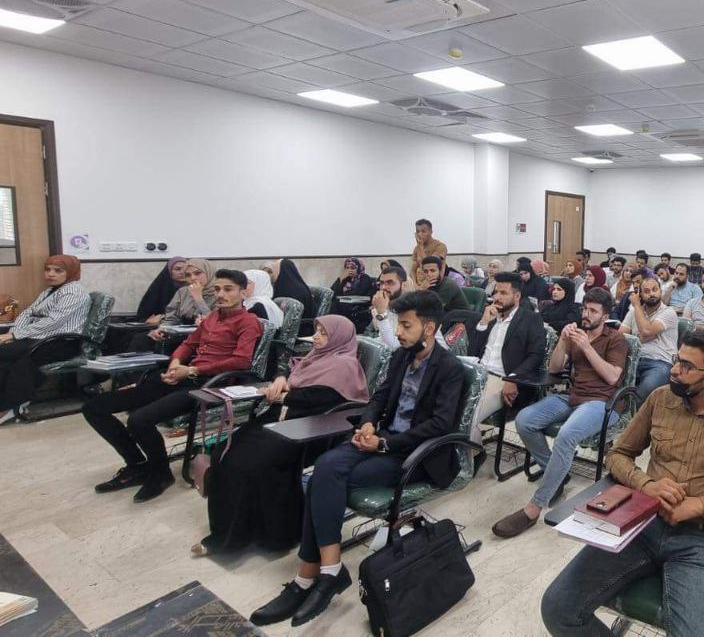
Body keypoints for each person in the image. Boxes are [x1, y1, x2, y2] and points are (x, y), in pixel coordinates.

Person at [541, 330, 704, 637]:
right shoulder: (661, 399)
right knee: (558, 609)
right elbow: (618, 455)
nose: (674, 370)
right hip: (643, 525)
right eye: (676, 360)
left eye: (687, 366)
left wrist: (700, 506)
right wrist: (647, 484)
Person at [251, 290, 466, 628]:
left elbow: (440, 424)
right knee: (325, 470)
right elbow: (378, 398)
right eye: (398, 324)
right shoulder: (402, 357)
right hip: (380, 439)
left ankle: (308, 578)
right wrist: (367, 423)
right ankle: (327, 571)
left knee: (323, 478)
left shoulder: (449, 368)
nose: (398, 332)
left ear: (429, 328)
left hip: (414, 454)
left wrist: (384, 443)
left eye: (406, 325)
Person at [83, 269, 263, 502]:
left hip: (207, 386)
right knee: (94, 408)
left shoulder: (249, 322)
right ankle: (137, 465)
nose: (220, 294)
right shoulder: (212, 317)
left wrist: (192, 370)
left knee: (139, 419)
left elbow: (241, 361)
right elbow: (188, 343)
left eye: (228, 289)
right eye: (217, 289)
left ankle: (160, 474)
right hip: (184, 376)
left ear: (243, 292)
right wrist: (176, 362)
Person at [193, 315, 366, 556]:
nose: (316, 336)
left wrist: (283, 395)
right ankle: (235, 531)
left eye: (323, 333)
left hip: (309, 428)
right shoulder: (315, 357)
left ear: (339, 338)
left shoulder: (344, 366)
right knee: (226, 450)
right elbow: (291, 372)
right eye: (316, 330)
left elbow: (319, 399)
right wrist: (281, 379)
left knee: (249, 463)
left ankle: (272, 535)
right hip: (281, 417)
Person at [492, 287, 628, 538]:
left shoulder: (616, 339)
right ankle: (556, 474)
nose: (586, 314)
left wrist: (586, 347)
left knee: (566, 435)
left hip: (603, 402)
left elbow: (612, 377)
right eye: (584, 309)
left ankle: (535, 507)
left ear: (605, 315)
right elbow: (554, 368)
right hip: (573, 395)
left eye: (593, 311)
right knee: (524, 420)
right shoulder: (576, 334)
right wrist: (563, 342)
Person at [0, 255, 92, 424]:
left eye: (58, 271)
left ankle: (10, 406)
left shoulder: (74, 292)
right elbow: (28, 313)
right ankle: (10, 404)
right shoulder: (49, 291)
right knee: (5, 355)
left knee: (16, 358)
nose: (51, 274)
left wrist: (13, 336)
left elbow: (52, 322)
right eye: (48, 269)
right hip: (39, 338)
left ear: (71, 272)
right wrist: (13, 334)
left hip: (61, 342)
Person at [470, 272, 547, 456]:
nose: (497, 297)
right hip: (478, 374)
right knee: (442, 408)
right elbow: (472, 352)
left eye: (503, 293)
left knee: (467, 415)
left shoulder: (530, 319)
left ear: (517, 296)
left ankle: (472, 458)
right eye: (496, 292)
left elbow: (536, 356)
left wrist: (513, 379)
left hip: (501, 379)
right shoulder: (490, 316)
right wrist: (483, 322)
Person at [132, 258, 217, 353]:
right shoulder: (182, 292)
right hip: (181, 335)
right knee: (142, 339)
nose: (193, 278)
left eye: (198, 273)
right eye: (188, 275)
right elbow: (171, 318)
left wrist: (198, 298)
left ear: (208, 272)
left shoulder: (219, 293)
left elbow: (214, 321)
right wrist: (161, 329)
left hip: (207, 336)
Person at [619, 276, 678, 402]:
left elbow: (646, 330)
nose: (651, 294)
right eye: (646, 291)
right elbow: (620, 337)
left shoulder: (669, 312)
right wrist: (638, 339)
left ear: (660, 291)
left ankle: (632, 413)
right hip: (633, 359)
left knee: (646, 388)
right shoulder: (634, 312)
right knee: (609, 380)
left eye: (654, 289)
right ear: (640, 295)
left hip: (660, 362)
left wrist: (636, 305)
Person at [267, 258, 316, 334]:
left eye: (273, 271)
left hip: (299, 331)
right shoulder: (282, 287)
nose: (272, 275)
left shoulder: (298, 291)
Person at [134, 257, 187, 324]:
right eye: (177, 269)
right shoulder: (158, 289)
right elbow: (144, 317)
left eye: (186, 269)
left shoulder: (194, 288)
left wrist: (163, 317)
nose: (182, 272)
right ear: (169, 271)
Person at [330, 257, 376, 333]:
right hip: (343, 305)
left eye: (353, 268)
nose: (349, 270)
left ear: (359, 268)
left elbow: (358, 294)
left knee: (336, 305)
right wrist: (340, 279)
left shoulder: (365, 278)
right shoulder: (345, 279)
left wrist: (340, 297)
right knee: (333, 304)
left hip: (358, 306)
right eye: (347, 268)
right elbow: (331, 293)